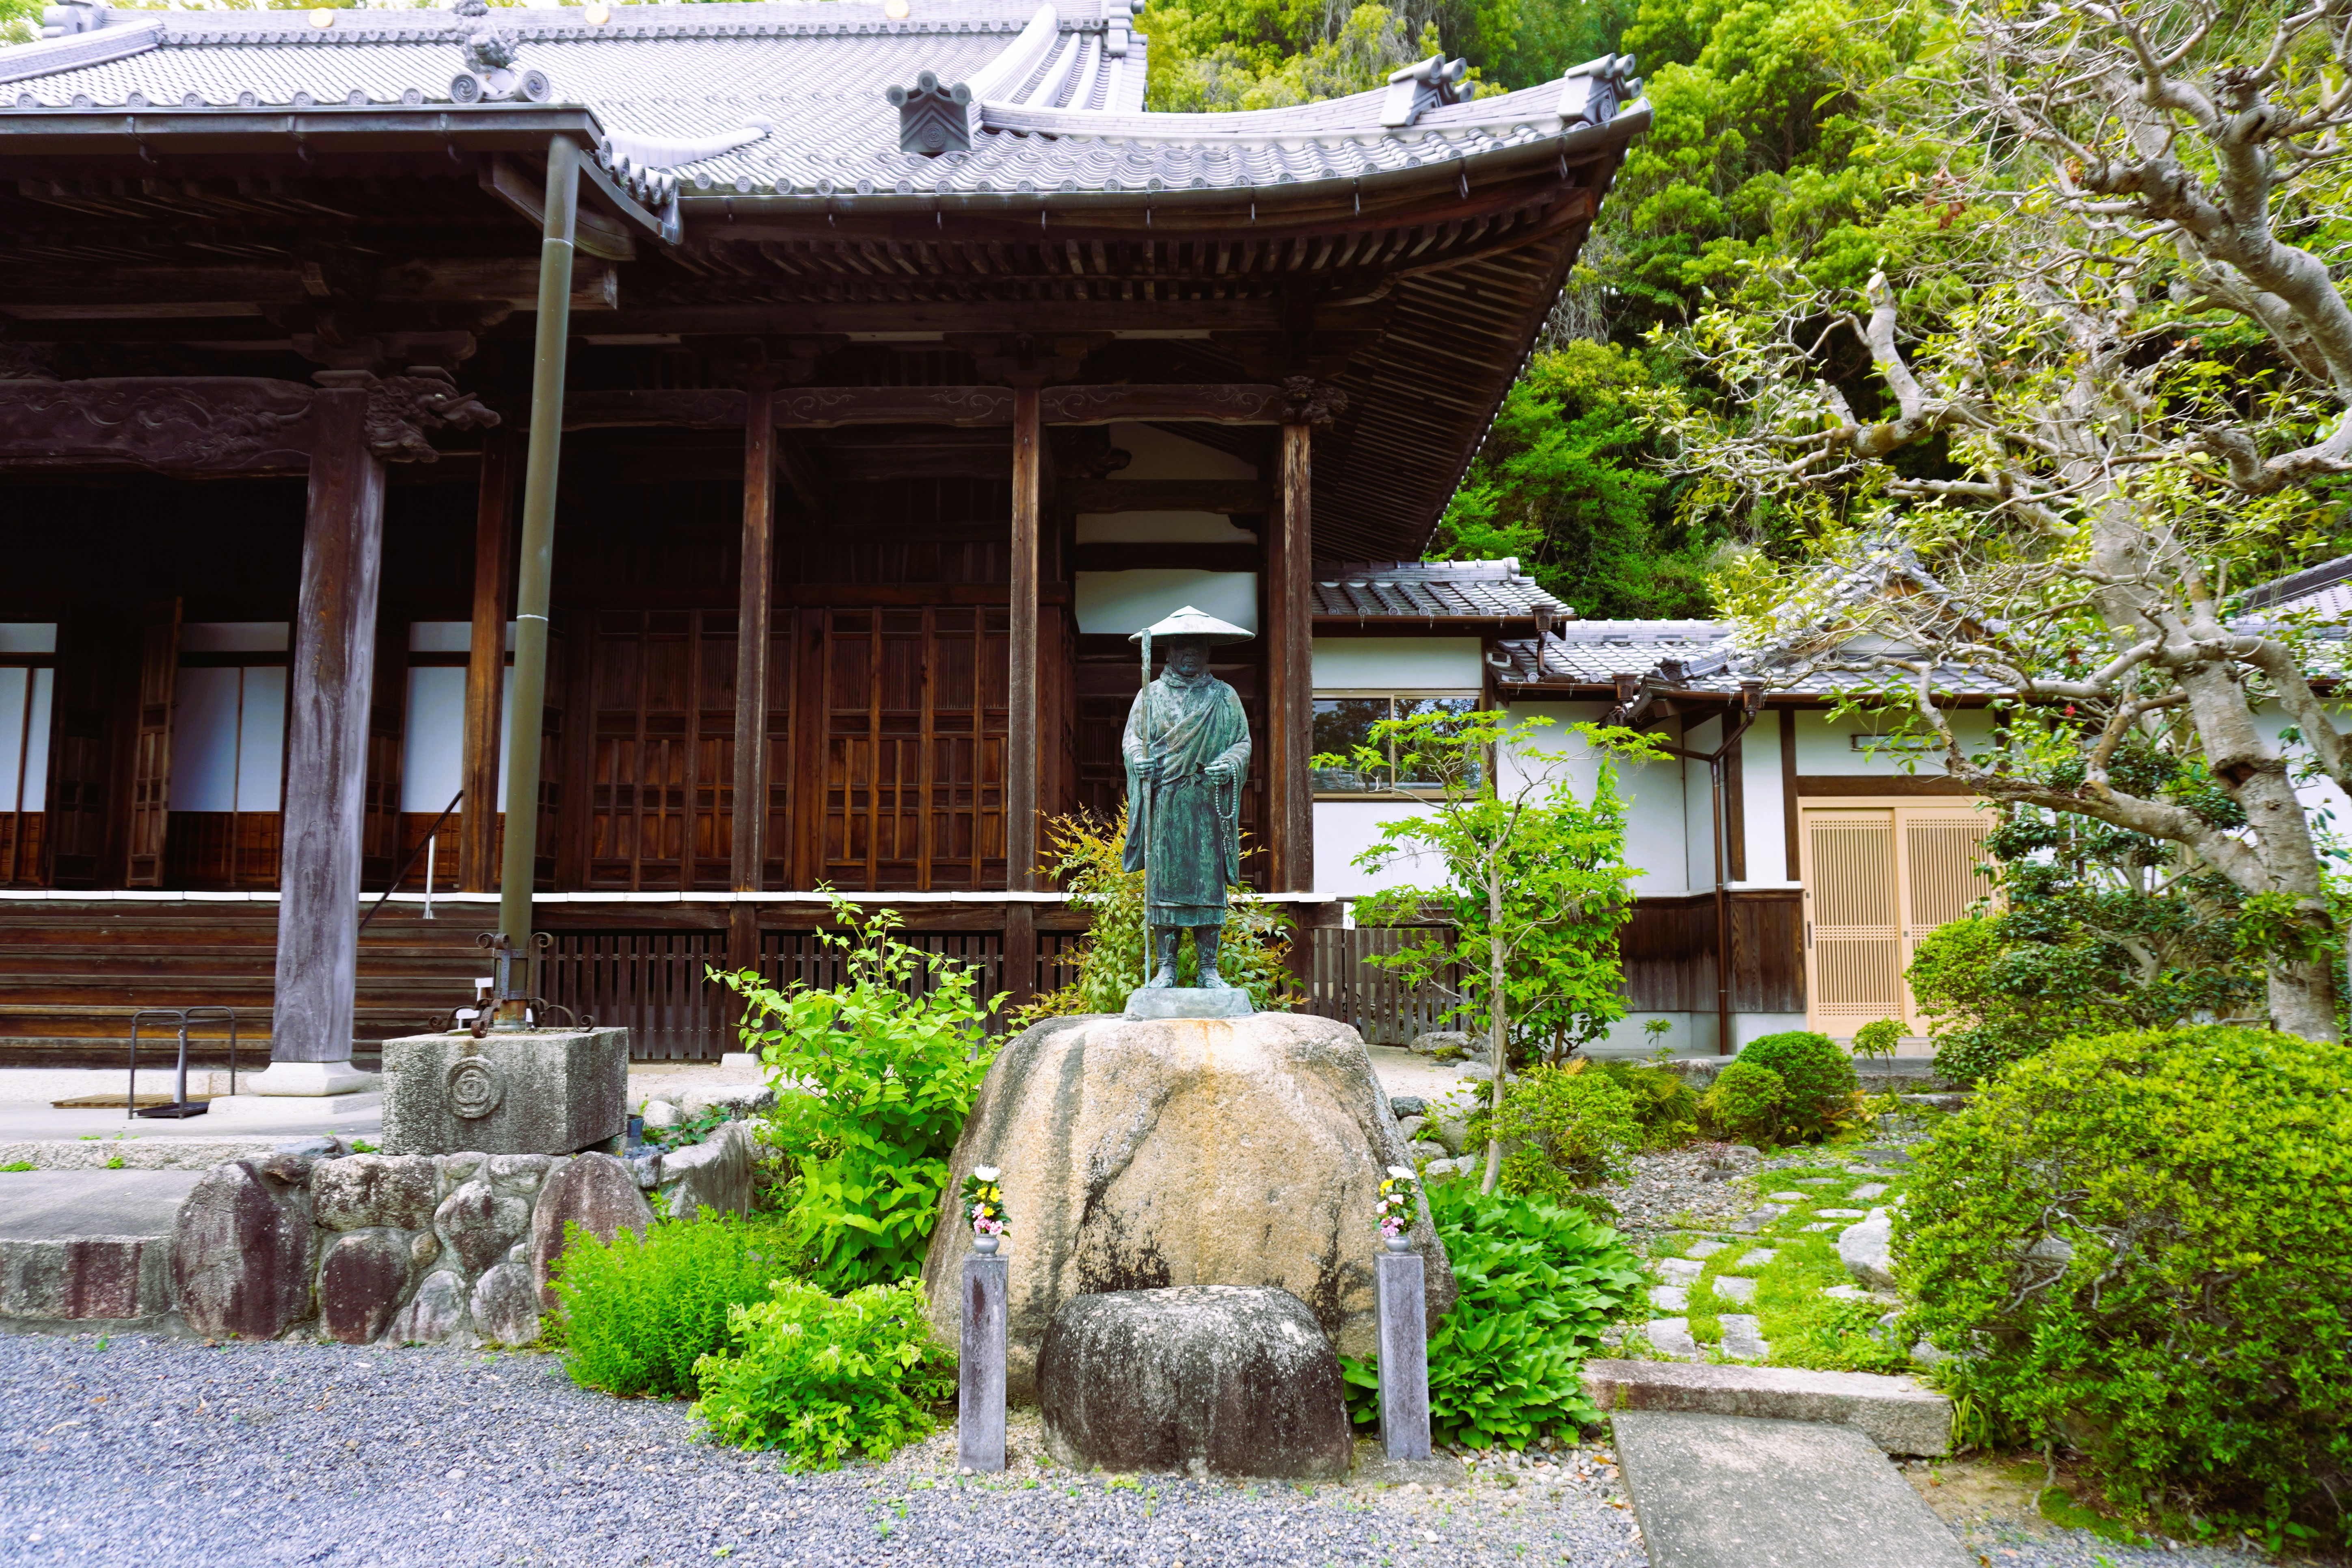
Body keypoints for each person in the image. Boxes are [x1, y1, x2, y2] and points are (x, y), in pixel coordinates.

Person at [1121, 610, 1253, 990]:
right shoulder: (1150, 695)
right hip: (1166, 802)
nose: (1190, 654)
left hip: (1205, 803)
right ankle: (1167, 967)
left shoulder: (1224, 696)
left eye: (1198, 647)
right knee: (1165, 885)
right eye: (1183, 646)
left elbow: (1242, 743)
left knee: (1206, 885)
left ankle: (1209, 969)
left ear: (1208, 651)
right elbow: (1132, 740)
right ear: (1169, 651)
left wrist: (1228, 764)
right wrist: (1138, 761)